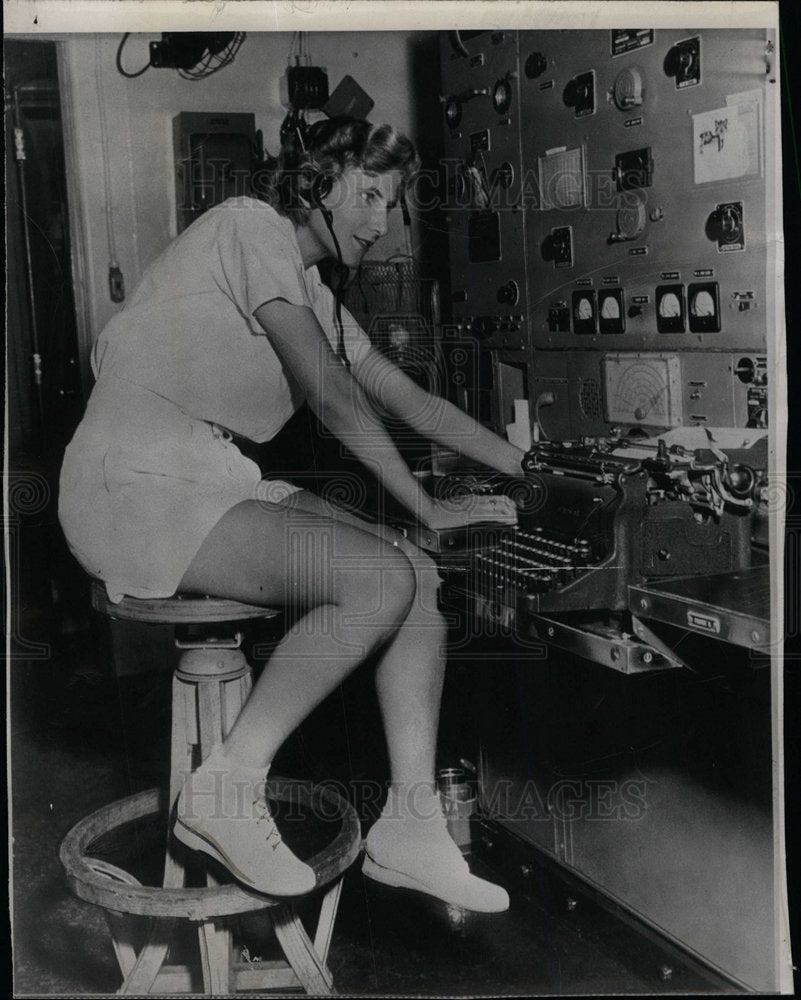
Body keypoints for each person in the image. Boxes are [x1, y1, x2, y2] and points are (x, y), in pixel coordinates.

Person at [59, 117, 526, 913]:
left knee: (411, 571)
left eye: (393, 204)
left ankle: (410, 828)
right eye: (369, 194)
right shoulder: (249, 228)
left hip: (209, 475)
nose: (380, 224)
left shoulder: (310, 292)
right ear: (315, 179)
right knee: (380, 573)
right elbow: (332, 397)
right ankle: (226, 787)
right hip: (128, 481)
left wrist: (535, 469)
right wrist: (427, 507)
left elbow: (408, 398)